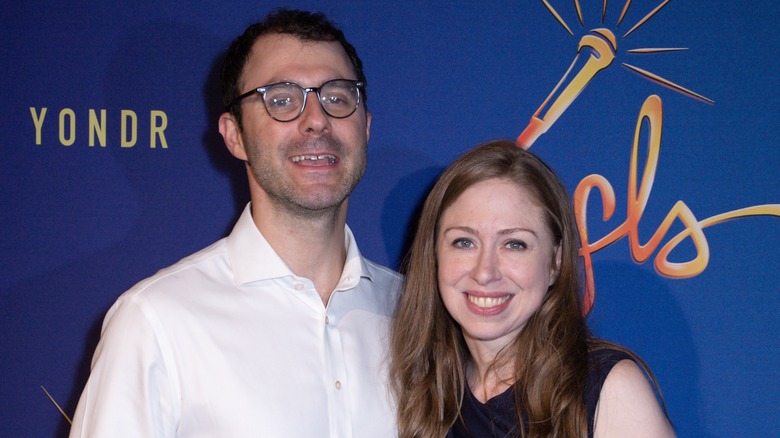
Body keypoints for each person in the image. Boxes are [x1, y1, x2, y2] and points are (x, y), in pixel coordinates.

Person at [70, 9, 402, 437]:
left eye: (337, 97)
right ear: (234, 135)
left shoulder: (415, 316)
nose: (316, 119)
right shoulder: (157, 323)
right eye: (281, 99)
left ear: (366, 127)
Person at [390, 140, 675, 437]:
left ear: (555, 261)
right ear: (434, 254)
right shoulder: (422, 393)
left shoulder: (609, 391)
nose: (485, 272)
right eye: (464, 242)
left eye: (515, 244)